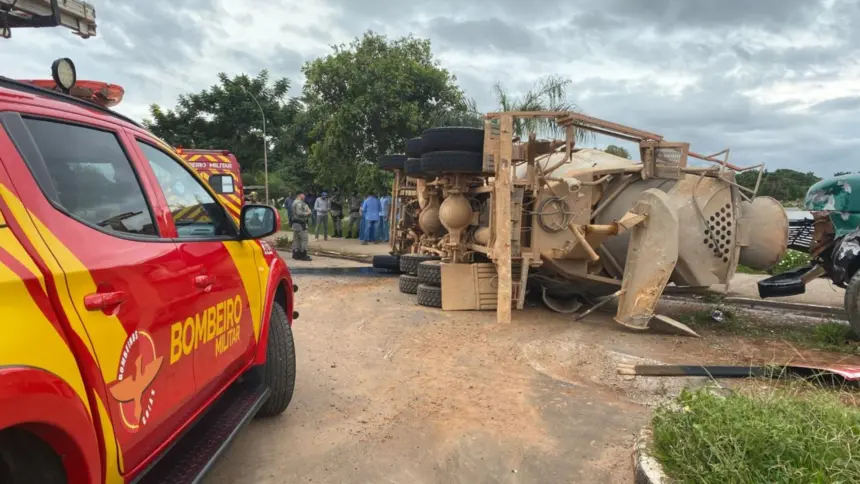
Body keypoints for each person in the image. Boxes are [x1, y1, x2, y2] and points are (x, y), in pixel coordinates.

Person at [290, 192, 312, 261]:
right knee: (304, 239)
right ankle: (303, 254)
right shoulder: (299, 203)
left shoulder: (294, 202)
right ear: (300, 195)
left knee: (296, 239)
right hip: (301, 224)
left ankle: (296, 253)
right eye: (303, 195)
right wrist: (307, 213)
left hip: (295, 223)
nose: (304, 196)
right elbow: (299, 213)